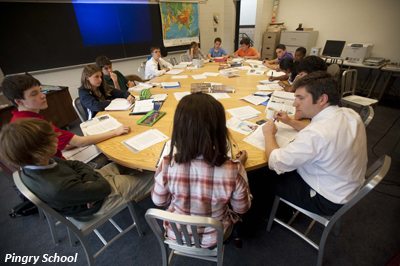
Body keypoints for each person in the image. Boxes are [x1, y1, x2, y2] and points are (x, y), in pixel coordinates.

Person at [152, 93, 252, 248]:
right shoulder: (233, 169)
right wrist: (241, 168)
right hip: (215, 237)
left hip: (176, 234)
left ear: (179, 130)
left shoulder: (167, 164)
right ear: (220, 131)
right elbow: (242, 208)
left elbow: (159, 201)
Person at [0, 118, 154, 219]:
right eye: (52, 138)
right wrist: (88, 184)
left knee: (123, 163)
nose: (58, 137)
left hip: (88, 186)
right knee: (154, 177)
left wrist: (87, 181)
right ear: (38, 152)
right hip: (100, 200)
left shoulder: (39, 161)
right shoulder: (57, 187)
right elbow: (103, 189)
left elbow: (76, 165)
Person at [262, 71, 367, 216]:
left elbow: (276, 161)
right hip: (347, 187)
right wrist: (290, 121)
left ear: (322, 99)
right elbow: (324, 135)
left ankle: (280, 213)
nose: (294, 103)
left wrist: (268, 134)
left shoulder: (316, 134)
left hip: (326, 200)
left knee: (264, 174)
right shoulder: (349, 114)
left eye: (300, 98)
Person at [1, 74, 130, 159]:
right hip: (64, 167)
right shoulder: (32, 125)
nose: (42, 95)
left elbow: (61, 143)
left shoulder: (20, 120)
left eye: (41, 90)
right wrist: (115, 132)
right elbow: (79, 141)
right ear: (19, 101)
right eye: (34, 94)